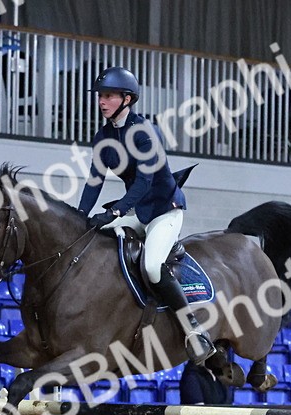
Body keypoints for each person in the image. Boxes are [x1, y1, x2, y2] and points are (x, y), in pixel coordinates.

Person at [77, 66, 214, 365]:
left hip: (164, 210)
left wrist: (114, 211)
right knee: (95, 240)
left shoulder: (144, 132)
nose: (102, 101)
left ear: (127, 99)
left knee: (152, 266)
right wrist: (80, 217)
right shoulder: (103, 138)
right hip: (138, 211)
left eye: (109, 96)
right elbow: (94, 181)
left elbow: (144, 182)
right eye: (100, 96)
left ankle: (193, 330)